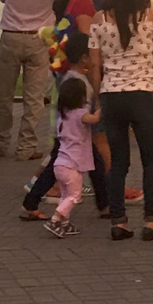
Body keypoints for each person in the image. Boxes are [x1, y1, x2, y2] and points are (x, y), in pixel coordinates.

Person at [88, 0, 153, 240]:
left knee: (118, 160)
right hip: (141, 94)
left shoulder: (99, 20)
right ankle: (151, 219)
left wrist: (99, 97)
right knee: (151, 158)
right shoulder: (152, 17)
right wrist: (146, 66)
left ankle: (118, 220)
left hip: (112, 94)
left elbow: (95, 65)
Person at [20, 31, 108, 222]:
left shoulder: (72, 77)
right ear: (84, 57)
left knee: (91, 166)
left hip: (72, 135)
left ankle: (104, 205)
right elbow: (77, 113)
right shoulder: (77, 82)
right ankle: (104, 205)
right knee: (91, 166)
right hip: (73, 136)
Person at [0, 0, 60, 160]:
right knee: (34, 98)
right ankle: (26, 146)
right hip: (38, 39)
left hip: (11, 36)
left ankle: (0, 142)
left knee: (4, 94)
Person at [44, 75, 101, 238]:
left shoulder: (63, 115)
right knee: (75, 196)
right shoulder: (80, 114)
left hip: (60, 163)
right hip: (72, 165)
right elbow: (94, 119)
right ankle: (55, 219)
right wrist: (101, 106)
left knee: (65, 195)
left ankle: (65, 223)